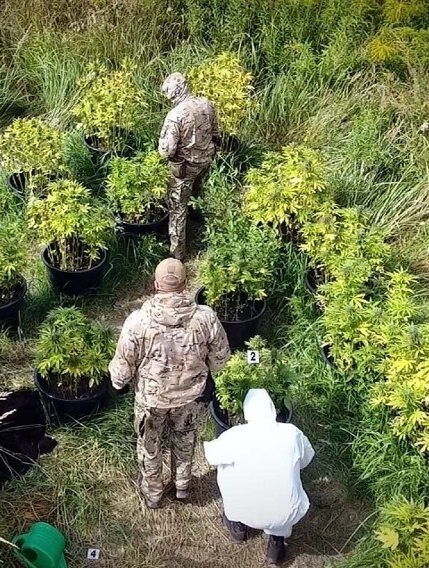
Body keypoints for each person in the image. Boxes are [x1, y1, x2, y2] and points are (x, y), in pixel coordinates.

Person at [109, 258, 230, 509]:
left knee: (149, 446)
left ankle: (153, 494)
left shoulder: (138, 321)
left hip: (151, 400)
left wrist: (118, 384)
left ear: (155, 284)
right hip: (190, 397)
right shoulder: (205, 318)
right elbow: (220, 359)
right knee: (184, 440)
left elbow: (123, 365)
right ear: (185, 284)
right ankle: (182, 486)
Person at [204, 389, 315, 565]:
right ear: (272, 410)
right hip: (286, 514)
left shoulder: (234, 436)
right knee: (284, 495)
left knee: (224, 467)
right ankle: (277, 545)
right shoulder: (292, 433)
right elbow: (306, 459)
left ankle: (238, 528)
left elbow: (211, 457)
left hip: (242, 509)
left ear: (247, 413)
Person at [157, 72, 219, 261]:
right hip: (206, 160)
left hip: (185, 169)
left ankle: (177, 254)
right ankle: (200, 223)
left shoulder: (175, 116)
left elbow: (166, 151)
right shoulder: (206, 104)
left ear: (173, 93)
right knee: (198, 195)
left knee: (177, 209)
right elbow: (216, 131)